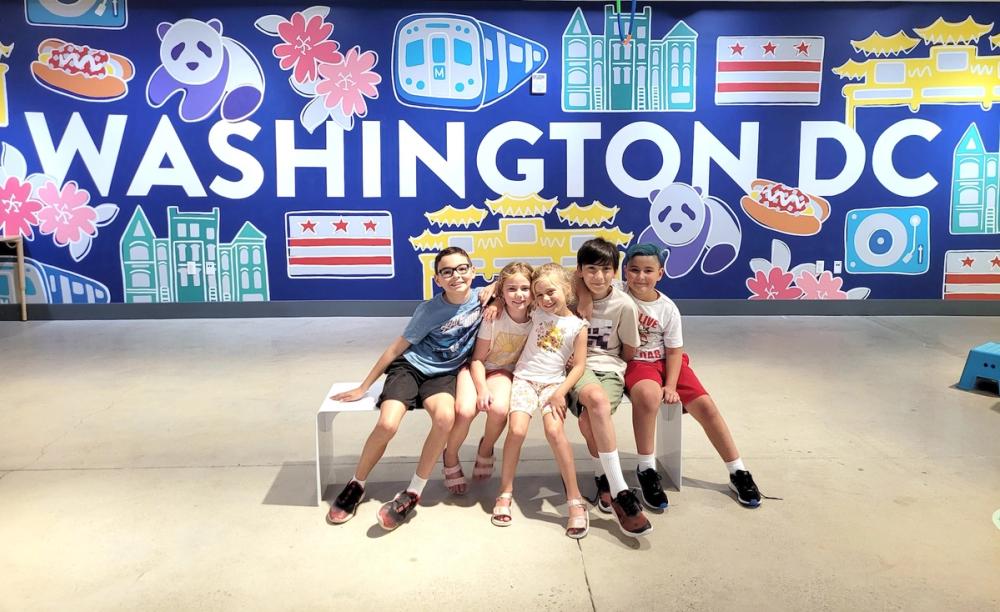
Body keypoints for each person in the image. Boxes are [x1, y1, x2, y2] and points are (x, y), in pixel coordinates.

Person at [325, 247, 490, 530]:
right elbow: (396, 348)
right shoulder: (428, 309)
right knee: (387, 425)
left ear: (474, 271)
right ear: (437, 279)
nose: (456, 276)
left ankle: (414, 491)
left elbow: (520, 278)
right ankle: (357, 483)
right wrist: (364, 386)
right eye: (447, 271)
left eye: (463, 268)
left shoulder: (484, 299)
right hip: (410, 368)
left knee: (445, 418)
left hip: (444, 375)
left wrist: (496, 287)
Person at [622, 243, 762, 508]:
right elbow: (581, 283)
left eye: (648, 270)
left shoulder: (668, 308)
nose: (640, 276)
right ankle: (646, 469)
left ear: (660, 273)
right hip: (638, 364)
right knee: (648, 396)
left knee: (706, 406)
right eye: (634, 270)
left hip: (669, 363)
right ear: (625, 271)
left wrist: (672, 385)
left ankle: (737, 470)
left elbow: (674, 352)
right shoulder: (617, 294)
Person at [492, 263, 590, 538]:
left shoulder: (578, 326)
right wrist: (496, 297)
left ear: (567, 289)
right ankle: (505, 492)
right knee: (517, 430)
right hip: (524, 379)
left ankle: (574, 499)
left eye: (551, 292)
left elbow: (580, 365)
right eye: (539, 294)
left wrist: (561, 392)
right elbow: (509, 287)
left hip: (554, 384)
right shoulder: (535, 312)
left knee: (555, 431)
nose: (545, 299)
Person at [570, 238, 652, 536]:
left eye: (606, 270)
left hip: (610, 370)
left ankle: (602, 477)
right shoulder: (570, 296)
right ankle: (620, 490)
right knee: (596, 400)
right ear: (580, 271)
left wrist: (612, 366)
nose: (598, 277)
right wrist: (581, 295)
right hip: (577, 369)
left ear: (615, 272)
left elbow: (628, 351)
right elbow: (550, 277)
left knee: (588, 415)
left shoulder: (624, 305)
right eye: (591, 269)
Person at [463, 262, 535, 485]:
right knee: (464, 411)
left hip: (504, 373)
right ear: (502, 292)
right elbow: (477, 359)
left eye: (525, 288)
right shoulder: (493, 317)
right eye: (511, 289)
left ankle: (486, 448)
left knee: (500, 409)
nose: (519, 294)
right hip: (479, 368)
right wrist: (482, 388)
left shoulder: (538, 316)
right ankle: (450, 456)